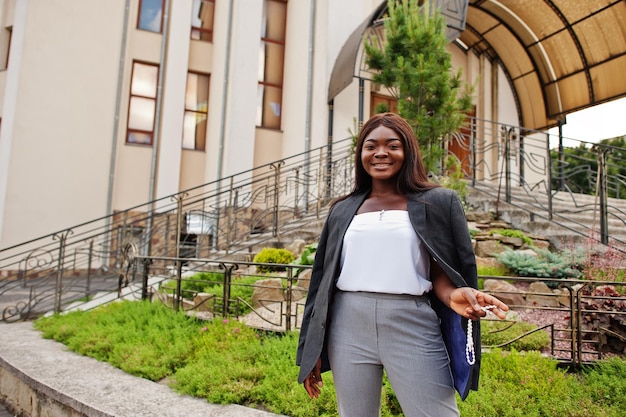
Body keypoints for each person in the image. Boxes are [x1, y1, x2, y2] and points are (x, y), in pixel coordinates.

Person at [296, 113, 509, 417]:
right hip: (348, 325)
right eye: (371, 146)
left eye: (392, 145)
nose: (380, 153)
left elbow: (441, 271)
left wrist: (454, 295)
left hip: (411, 322)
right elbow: (320, 282)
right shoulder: (342, 210)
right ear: (361, 154)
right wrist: (311, 349)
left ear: (408, 151)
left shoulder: (438, 202)